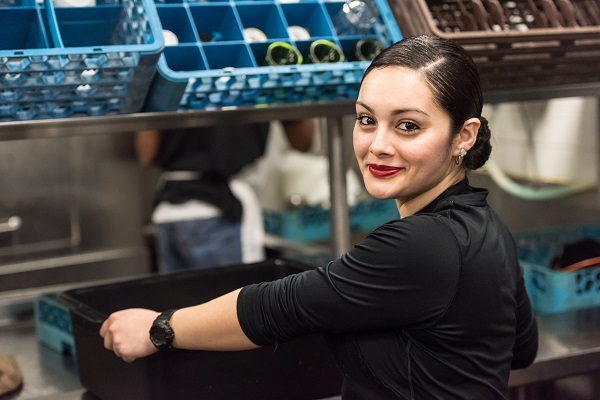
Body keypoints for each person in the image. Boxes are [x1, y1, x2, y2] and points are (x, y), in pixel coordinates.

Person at [101, 34, 538, 399]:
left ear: (465, 134)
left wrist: (159, 328)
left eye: (408, 125)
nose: (378, 144)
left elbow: (278, 306)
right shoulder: (487, 227)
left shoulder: (423, 243)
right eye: (367, 120)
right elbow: (521, 348)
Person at [136, 119, 314, 273]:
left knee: (181, 307)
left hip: (168, 214)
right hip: (219, 213)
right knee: (234, 306)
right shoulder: (254, 79)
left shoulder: (167, 83)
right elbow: (303, 141)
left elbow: (146, 153)